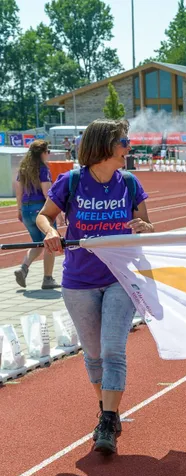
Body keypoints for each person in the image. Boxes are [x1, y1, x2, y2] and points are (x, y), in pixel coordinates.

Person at [37, 119, 154, 455]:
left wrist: (144, 226)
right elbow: (44, 216)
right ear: (104, 146)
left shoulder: (130, 183)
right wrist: (50, 232)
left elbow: (148, 225)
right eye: (123, 142)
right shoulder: (72, 181)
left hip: (119, 276)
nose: (128, 148)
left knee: (113, 348)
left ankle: (107, 418)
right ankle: (107, 409)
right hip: (78, 281)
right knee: (93, 354)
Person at [13, 140, 60, 289]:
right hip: (41, 210)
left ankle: (23, 268)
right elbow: (47, 193)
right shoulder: (43, 169)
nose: (49, 154)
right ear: (42, 153)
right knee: (50, 242)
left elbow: (19, 191)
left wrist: (19, 210)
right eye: (48, 152)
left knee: (37, 243)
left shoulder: (23, 169)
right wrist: (56, 211)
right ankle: (48, 278)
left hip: (26, 210)